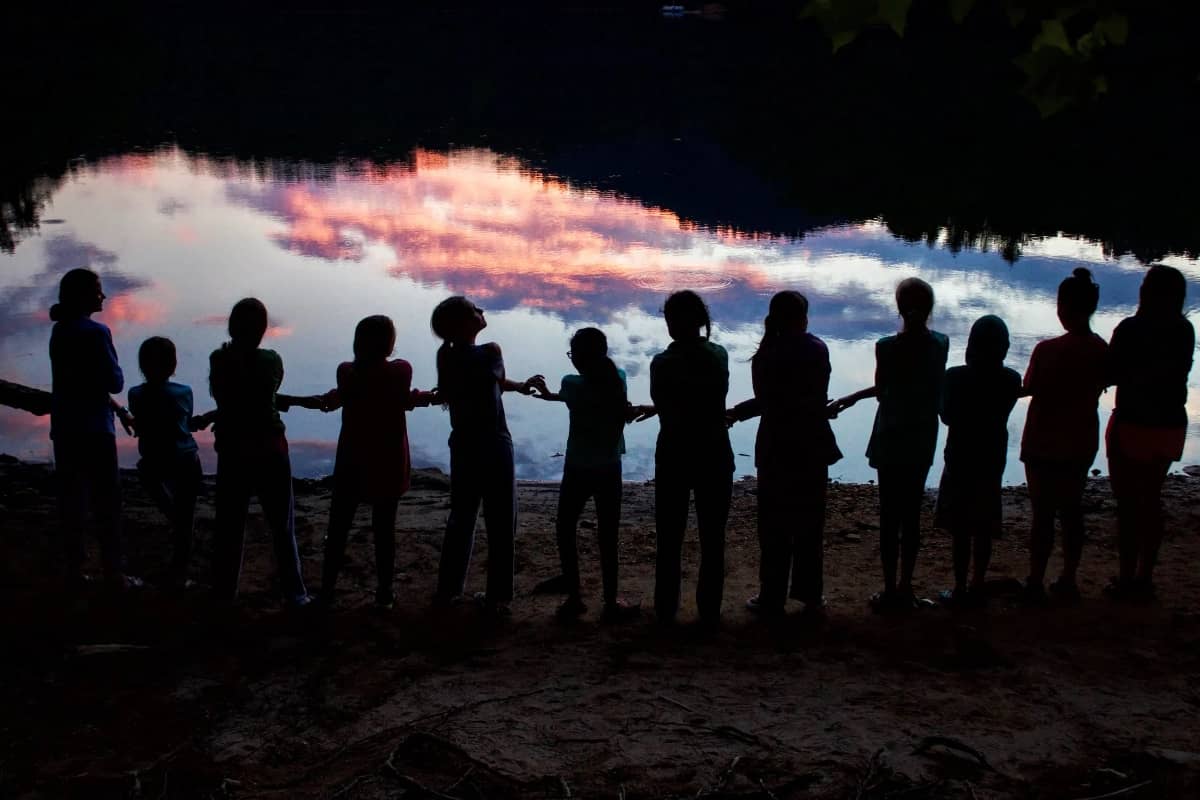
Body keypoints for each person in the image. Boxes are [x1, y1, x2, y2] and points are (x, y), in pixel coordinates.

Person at [830, 277, 948, 612]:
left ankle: (888, 589)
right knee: (911, 515)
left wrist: (852, 397)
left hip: (890, 435)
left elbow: (884, 390)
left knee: (889, 514)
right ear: (929, 309)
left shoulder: (886, 347)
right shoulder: (941, 344)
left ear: (898, 308)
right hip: (921, 437)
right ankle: (906, 587)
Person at [728, 290, 841, 618]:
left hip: (776, 445)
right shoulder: (818, 349)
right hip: (812, 444)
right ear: (803, 317)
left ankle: (771, 595)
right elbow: (813, 396)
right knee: (810, 522)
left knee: (774, 525)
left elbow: (767, 401)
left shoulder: (766, 354)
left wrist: (736, 412)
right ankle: (810, 595)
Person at [430, 296, 540, 617]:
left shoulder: (447, 358)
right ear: (466, 322)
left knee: (461, 517)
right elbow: (490, 378)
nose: (482, 311)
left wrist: (518, 386)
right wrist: (515, 384)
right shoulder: (491, 351)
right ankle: (498, 597)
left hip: (463, 444)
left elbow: (490, 383)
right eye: (476, 309)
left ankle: (448, 591)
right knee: (502, 520)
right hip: (494, 443)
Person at [316, 315, 436, 609]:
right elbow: (401, 397)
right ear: (390, 344)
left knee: (339, 527)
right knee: (385, 530)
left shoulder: (346, 372)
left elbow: (351, 394)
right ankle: (384, 593)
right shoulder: (401, 371)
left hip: (351, 462)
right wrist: (424, 397)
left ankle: (327, 592)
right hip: (387, 463)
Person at [530, 328, 640, 622]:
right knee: (608, 533)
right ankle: (611, 600)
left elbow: (569, 395)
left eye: (572, 354)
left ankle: (575, 596)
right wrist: (552, 396)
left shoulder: (572, 383)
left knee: (565, 527)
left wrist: (548, 394)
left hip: (578, 466)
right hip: (609, 466)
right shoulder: (618, 379)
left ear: (577, 357)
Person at [208, 298, 310, 608]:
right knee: (282, 526)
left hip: (232, 449)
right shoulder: (271, 360)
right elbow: (269, 394)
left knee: (230, 526)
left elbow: (231, 399)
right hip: (269, 448)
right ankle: (295, 594)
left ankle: (225, 594)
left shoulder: (218, 360)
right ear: (263, 329)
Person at [48, 267, 141, 592]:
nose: (103, 296)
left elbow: (82, 385)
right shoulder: (96, 333)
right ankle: (113, 574)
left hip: (65, 427)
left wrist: (120, 411)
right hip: (94, 431)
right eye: (98, 290)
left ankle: (75, 570)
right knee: (107, 502)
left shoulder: (60, 331)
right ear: (84, 296)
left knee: (72, 501)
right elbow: (114, 381)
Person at [1105, 264, 1194, 602]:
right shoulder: (1185, 330)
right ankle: (1145, 577)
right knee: (1151, 500)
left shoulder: (1130, 328)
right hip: (1170, 425)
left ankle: (1127, 576)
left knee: (1128, 505)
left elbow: (1109, 372)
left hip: (1133, 423)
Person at [1020, 267, 1108, 605]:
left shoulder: (1046, 350)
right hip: (1081, 439)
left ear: (1062, 308)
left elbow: (1028, 387)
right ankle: (1069, 578)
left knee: (1042, 515)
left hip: (1043, 438)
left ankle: (1035, 580)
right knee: (1071, 511)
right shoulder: (1101, 349)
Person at [650, 290, 734, 627]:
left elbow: (663, 407)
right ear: (701, 322)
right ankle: (709, 610)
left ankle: (666, 608)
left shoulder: (662, 363)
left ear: (671, 325)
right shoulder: (718, 356)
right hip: (714, 449)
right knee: (713, 536)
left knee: (669, 536)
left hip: (673, 452)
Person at [934, 315, 1022, 607]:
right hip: (992, 456)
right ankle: (978, 583)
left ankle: (960, 587)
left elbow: (945, 415)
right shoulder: (1011, 379)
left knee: (960, 527)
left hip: (960, 455)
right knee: (984, 523)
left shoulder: (954, 377)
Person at [126, 336, 215, 589]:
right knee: (185, 517)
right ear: (173, 364)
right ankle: (180, 572)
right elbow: (183, 423)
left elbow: (144, 425)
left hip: (154, 460)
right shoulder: (184, 392)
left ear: (142, 365)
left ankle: (176, 532)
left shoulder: (135, 395)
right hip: (185, 458)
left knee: (173, 509)